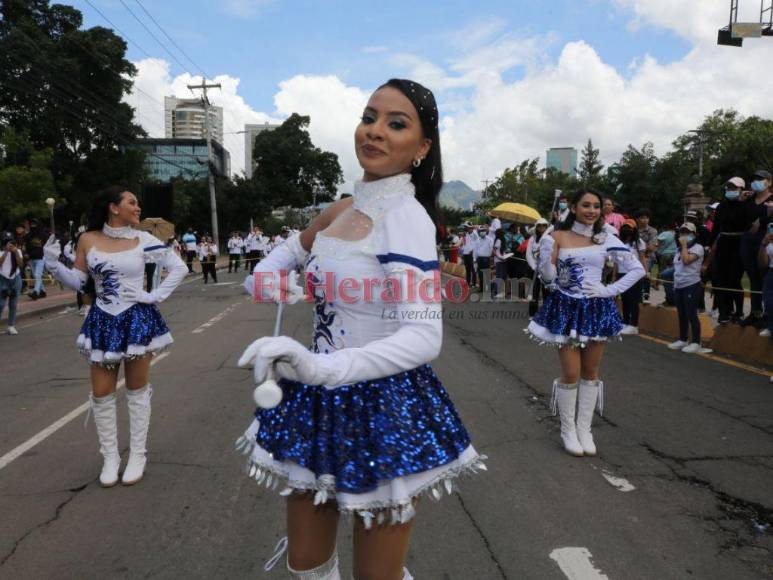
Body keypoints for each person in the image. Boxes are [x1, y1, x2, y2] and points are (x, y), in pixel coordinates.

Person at [236, 79, 484, 580]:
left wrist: (317, 365)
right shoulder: (340, 210)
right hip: (316, 399)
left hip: (383, 407)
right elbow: (270, 265)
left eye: (396, 124)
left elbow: (423, 338)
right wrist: (271, 284)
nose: (374, 132)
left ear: (422, 147)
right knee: (306, 566)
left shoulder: (407, 217)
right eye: (369, 117)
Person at [43, 186, 187, 487]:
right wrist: (54, 264)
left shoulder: (144, 239)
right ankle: (110, 457)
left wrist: (154, 296)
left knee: (136, 390)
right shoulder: (88, 239)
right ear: (113, 207)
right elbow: (80, 282)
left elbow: (179, 267)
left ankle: (137, 454)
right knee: (101, 392)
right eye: (132, 203)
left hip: (136, 319)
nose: (138, 208)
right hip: (103, 321)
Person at [526, 189, 644, 457]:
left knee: (590, 373)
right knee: (570, 373)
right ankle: (567, 430)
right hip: (566, 308)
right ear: (574, 208)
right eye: (586, 205)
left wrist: (607, 291)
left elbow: (638, 269)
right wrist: (546, 257)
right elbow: (548, 279)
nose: (591, 210)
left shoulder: (607, 237)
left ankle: (585, 430)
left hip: (596, 309)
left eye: (596, 206)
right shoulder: (556, 236)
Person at [704, 177, 759, 324]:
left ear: (742, 189)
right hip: (724, 243)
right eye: (728, 188)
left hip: (740, 243)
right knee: (720, 279)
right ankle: (724, 312)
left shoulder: (746, 205)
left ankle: (739, 311)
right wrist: (710, 244)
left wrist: (745, 200)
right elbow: (716, 228)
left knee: (734, 279)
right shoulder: (722, 207)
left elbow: (748, 220)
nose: (730, 191)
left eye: (734, 188)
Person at [668, 222, 710, 354]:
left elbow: (686, 261)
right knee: (681, 314)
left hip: (691, 284)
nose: (684, 235)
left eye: (688, 232)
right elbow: (677, 266)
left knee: (691, 313)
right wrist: (682, 247)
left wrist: (684, 245)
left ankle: (696, 342)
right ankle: (683, 338)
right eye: (682, 232)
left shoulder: (698, 248)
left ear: (694, 234)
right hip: (679, 285)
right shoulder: (678, 249)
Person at [740, 170, 773, 327]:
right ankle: (755, 312)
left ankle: (768, 314)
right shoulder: (749, 199)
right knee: (753, 277)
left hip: (765, 241)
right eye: (754, 179)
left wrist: (762, 220)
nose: (756, 181)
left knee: (764, 276)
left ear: (769, 182)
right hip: (747, 240)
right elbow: (739, 218)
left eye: (760, 179)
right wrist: (741, 199)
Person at [617, 220, 647, 335]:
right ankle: (625, 322)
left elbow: (642, 258)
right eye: (624, 227)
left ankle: (634, 325)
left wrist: (645, 272)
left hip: (634, 273)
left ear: (634, 229)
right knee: (625, 299)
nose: (626, 230)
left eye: (629, 228)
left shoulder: (638, 242)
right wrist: (615, 275)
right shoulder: (620, 242)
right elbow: (616, 261)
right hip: (621, 272)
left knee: (634, 299)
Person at [0, 233, 24, 335]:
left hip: (15, 278)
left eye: (11, 241)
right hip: (3, 278)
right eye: (7, 241)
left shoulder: (17, 251)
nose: (10, 244)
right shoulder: (1, 252)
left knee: (13, 304)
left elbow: (21, 264)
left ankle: (11, 326)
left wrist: (16, 253)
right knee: (0, 304)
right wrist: (6, 252)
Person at [526, 218, 550, 317]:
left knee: (546, 292)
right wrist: (534, 266)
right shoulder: (532, 239)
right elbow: (528, 255)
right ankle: (532, 314)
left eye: (544, 225)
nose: (542, 227)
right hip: (534, 269)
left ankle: (546, 314)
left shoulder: (549, 239)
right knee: (534, 292)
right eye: (540, 225)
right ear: (537, 227)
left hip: (546, 269)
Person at [635, 209, 658, 302]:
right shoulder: (633, 230)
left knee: (645, 271)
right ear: (637, 219)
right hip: (634, 256)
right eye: (642, 218)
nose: (645, 220)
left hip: (648, 256)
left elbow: (651, 247)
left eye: (646, 218)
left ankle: (646, 295)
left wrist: (640, 249)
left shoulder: (652, 230)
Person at [25, 218, 47, 299]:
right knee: (35, 275)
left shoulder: (42, 235)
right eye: (31, 224)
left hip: (41, 258)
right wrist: (26, 255)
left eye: (35, 224)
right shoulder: (27, 236)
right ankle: (43, 291)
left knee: (38, 275)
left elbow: (46, 245)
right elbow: (27, 246)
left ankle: (36, 292)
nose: (33, 225)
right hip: (31, 258)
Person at [758, 225, 773, 339]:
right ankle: (770, 327)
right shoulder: (769, 246)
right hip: (771, 273)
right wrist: (763, 244)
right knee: (768, 303)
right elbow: (763, 264)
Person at [492, 228, 511, 299]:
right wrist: (500, 257)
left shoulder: (501, 240)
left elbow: (501, 250)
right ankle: (497, 291)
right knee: (499, 276)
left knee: (503, 276)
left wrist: (505, 255)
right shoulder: (499, 240)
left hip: (502, 260)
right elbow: (494, 251)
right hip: (500, 260)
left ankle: (504, 291)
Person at [475, 225, 493, 294]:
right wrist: (475, 258)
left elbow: (491, 249)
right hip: (479, 258)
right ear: (478, 232)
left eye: (483, 231)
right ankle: (481, 288)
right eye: (481, 231)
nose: (482, 232)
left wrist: (489, 257)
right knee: (480, 274)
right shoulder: (477, 240)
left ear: (486, 231)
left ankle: (488, 288)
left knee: (487, 273)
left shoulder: (490, 239)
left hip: (486, 258)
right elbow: (476, 250)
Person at [460, 222, 477, 290]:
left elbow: (477, 243)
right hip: (466, 254)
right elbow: (464, 244)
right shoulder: (466, 234)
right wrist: (463, 251)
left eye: (466, 227)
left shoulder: (475, 234)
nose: (465, 228)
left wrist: (473, 250)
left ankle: (473, 283)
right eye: (465, 227)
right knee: (467, 269)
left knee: (473, 269)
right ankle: (468, 282)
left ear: (470, 227)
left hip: (472, 254)